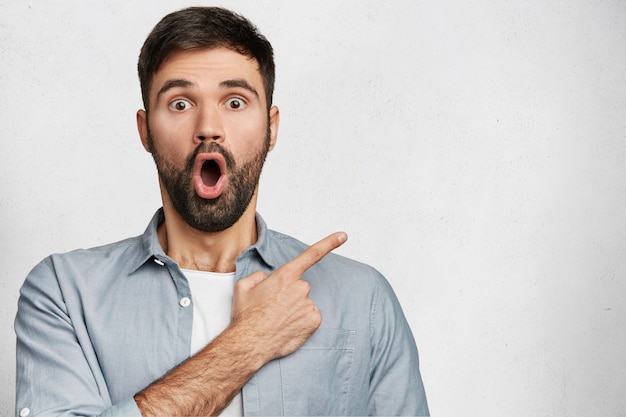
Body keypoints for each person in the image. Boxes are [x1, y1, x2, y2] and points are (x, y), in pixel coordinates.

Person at [15, 6, 429, 417]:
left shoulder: (362, 297)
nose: (208, 126)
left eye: (234, 102)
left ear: (272, 128)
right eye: (180, 104)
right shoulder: (64, 293)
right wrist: (251, 339)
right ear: (145, 131)